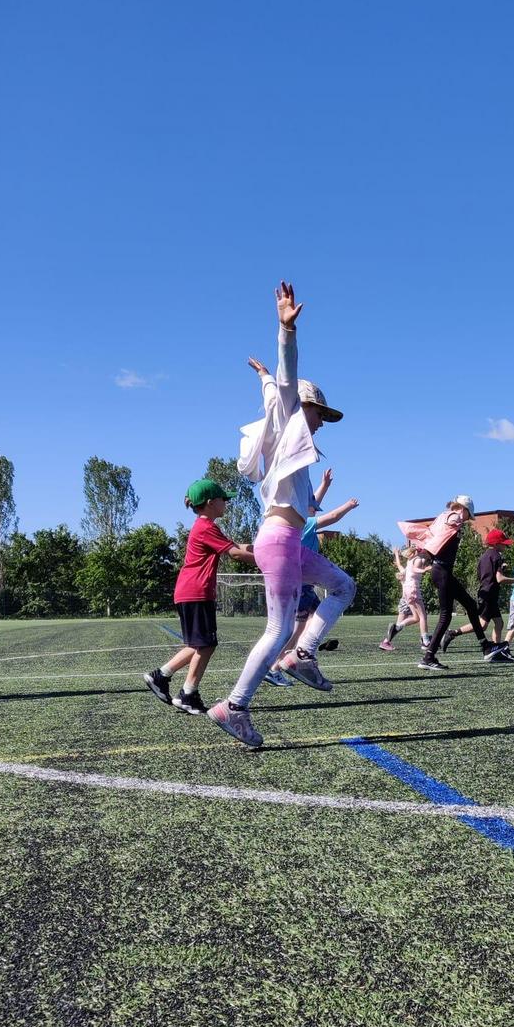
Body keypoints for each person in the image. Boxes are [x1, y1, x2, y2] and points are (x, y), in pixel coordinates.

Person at [208, 282, 356, 749]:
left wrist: (262, 378)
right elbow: (286, 385)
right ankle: (233, 707)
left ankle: (303, 654)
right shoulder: (291, 419)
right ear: (303, 408)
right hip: (277, 542)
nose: (321, 421)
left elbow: (275, 391)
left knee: (344, 586)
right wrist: (285, 331)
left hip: (289, 542)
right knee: (276, 630)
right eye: (319, 413)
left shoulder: (294, 449)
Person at [144, 479, 255, 714]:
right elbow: (235, 553)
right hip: (196, 592)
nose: (226, 503)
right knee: (206, 645)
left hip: (189, 591)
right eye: (223, 499)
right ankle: (188, 694)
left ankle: (161, 676)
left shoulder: (205, 527)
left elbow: (237, 546)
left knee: (199, 644)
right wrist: (270, 561)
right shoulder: (206, 528)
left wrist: (263, 547)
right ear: (211, 502)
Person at [268, 468, 359, 683]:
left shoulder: (301, 521)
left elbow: (312, 502)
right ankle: (277, 666)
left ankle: (290, 659)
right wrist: (349, 505)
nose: (316, 509)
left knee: (314, 619)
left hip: (303, 584)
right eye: (313, 508)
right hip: (302, 585)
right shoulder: (306, 524)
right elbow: (332, 517)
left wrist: (325, 485)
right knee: (297, 629)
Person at [401, 499, 505, 670]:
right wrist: (455, 520)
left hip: (442, 572)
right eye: (468, 515)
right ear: (463, 509)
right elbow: (449, 522)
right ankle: (429, 657)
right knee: (446, 616)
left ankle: (485, 647)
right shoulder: (452, 517)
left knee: (469, 606)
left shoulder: (441, 519)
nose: (466, 520)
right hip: (441, 571)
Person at [441, 528, 514, 656]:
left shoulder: (484, 556)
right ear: (496, 544)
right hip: (489, 595)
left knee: (499, 623)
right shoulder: (497, 556)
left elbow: (483, 574)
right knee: (482, 625)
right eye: (503, 544)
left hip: (486, 593)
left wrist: (500, 568)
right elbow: (500, 579)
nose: (506, 546)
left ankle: (497, 650)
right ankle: (452, 633)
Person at [380, 545, 432, 651]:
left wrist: (396, 554)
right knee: (422, 617)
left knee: (416, 618)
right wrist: (425, 569)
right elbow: (415, 568)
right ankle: (425, 641)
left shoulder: (409, 563)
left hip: (408, 594)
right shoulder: (417, 560)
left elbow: (400, 565)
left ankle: (396, 629)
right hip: (412, 592)